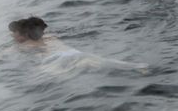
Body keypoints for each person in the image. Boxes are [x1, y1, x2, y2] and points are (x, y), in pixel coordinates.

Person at [8, 16, 145, 72]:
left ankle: (133, 68)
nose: (12, 36)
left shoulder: (24, 46)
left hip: (58, 61)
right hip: (74, 53)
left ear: (24, 34)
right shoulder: (50, 37)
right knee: (100, 61)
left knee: (88, 66)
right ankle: (136, 67)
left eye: (15, 33)